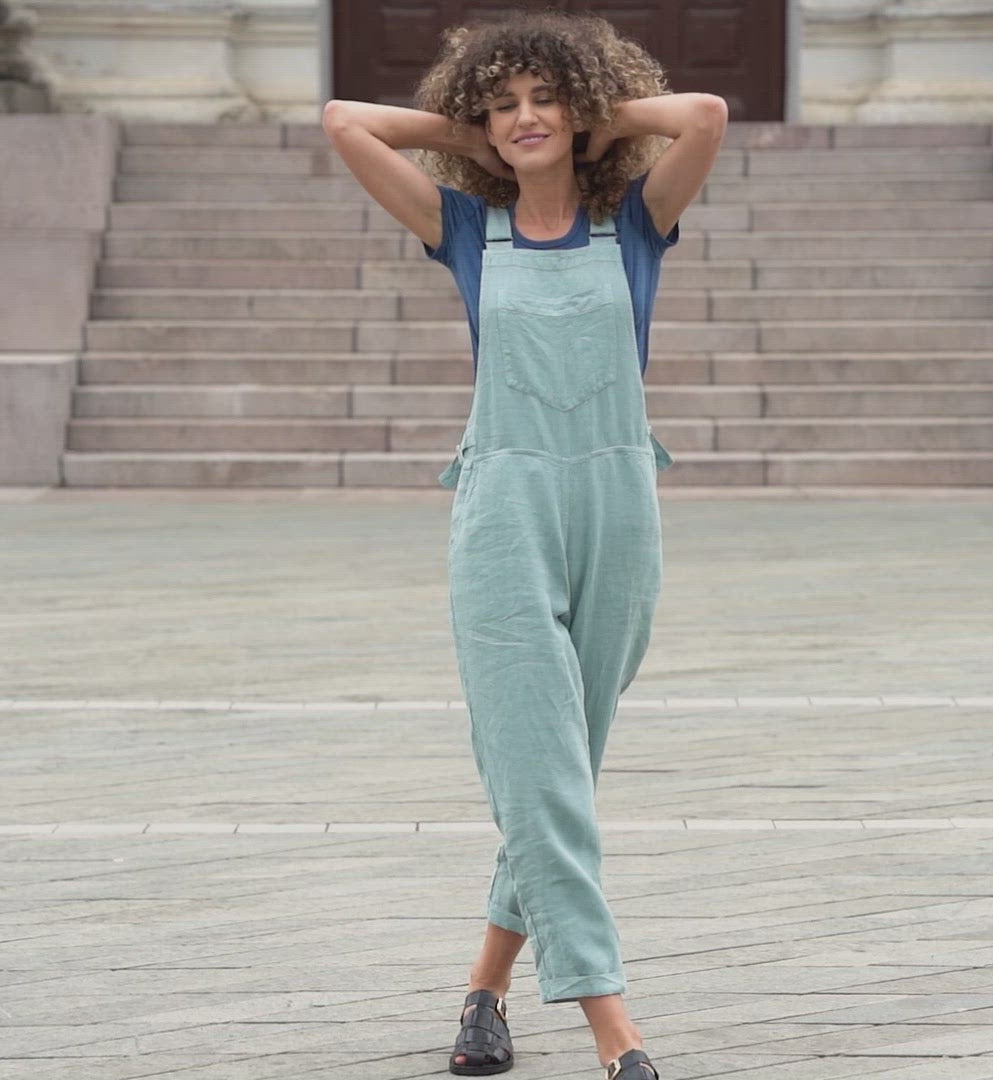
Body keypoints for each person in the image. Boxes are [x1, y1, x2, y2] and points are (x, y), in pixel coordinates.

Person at [323, 11, 726, 1079]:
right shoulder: (463, 230)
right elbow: (345, 122)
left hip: (619, 505)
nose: (525, 118)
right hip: (503, 509)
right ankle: (615, 1028)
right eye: (503, 105)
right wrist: (469, 136)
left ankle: (483, 998)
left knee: (562, 773)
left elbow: (706, 115)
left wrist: (585, 117)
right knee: (539, 770)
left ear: (584, 110)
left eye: (545, 100)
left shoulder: (636, 224)